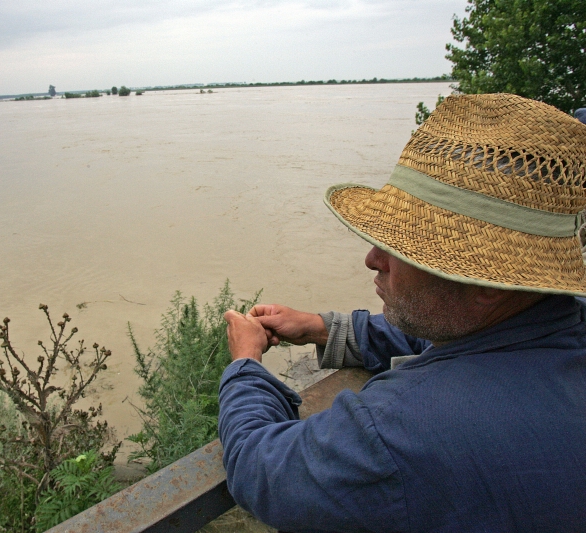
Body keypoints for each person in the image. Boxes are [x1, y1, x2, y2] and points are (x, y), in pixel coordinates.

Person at [219, 93, 586, 532]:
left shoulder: (402, 431)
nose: (373, 259)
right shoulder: (559, 321)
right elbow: (450, 331)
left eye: (402, 248)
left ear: (486, 284)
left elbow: (263, 468)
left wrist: (245, 364)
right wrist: (320, 328)